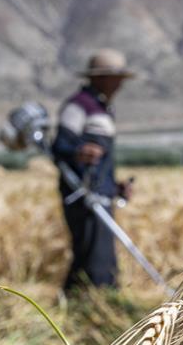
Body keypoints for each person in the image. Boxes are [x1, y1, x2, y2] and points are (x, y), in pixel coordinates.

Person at [52, 49, 134, 292]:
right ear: (99, 77)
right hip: (83, 196)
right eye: (115, 78)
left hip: (100, 194)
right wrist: (78, 151)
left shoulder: (103, 107)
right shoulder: (78, 106)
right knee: (90, 257)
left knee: (100, 257)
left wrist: (114, 186)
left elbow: (102, 164)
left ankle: (90, 302)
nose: (120, 84)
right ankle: (87, 302)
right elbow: (59, 147)